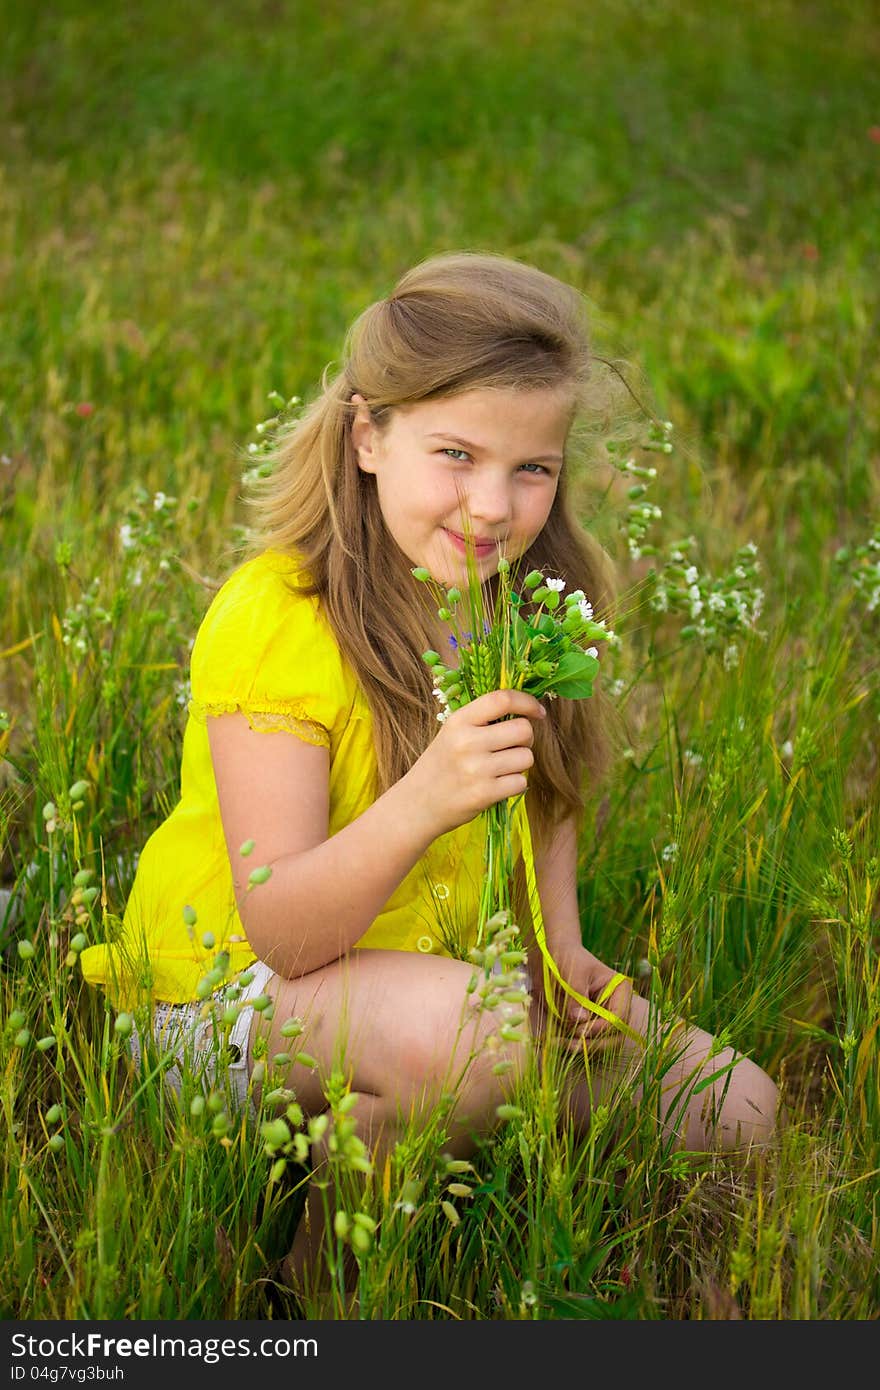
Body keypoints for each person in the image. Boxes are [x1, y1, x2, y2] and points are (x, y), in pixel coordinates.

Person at [80, 250, 780, 1300]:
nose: (492, 505)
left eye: (530, 468)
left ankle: (375, 1139)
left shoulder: (527, 604)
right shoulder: (281, 614)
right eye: (454, 453)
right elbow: (285, 931)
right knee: (488, 1041)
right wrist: (425, 800)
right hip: (226, 999)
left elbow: (546, 797)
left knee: (739, 1111)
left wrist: (563, 946)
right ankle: (317, 1279)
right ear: (368, 435)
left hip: (428, 988)